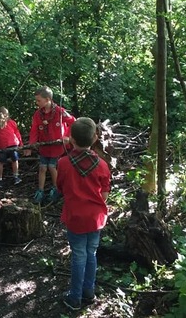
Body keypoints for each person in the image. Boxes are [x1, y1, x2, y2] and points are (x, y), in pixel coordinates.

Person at [56, 117, 111, 311]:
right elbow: (104, 194)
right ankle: (89, 291)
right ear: (95, 138)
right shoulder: (102, 165)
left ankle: (74, 298)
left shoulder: (63, 163)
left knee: (79, 255)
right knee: (91, 252)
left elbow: (60, 187)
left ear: (71, 139)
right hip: (95, 218)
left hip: (76, 217)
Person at [23, 86, 75, 203]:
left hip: (57, 147)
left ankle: (56, 189)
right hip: (44, 147)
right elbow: (34, 130)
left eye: (39, 100)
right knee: (42, 168)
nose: (37, 103)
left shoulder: (60, 111)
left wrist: (67, 136)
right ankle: (40, 191)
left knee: (52, 167)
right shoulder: (38, 114)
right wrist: (31, 145)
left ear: (48, 100)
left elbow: (73, 121)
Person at [0, 106, 23, 188]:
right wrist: (20, 143)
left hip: (2, 146)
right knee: (15, 160)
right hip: (13, 144)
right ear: (7, 114)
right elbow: (17, 133)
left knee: (0, 162)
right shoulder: (12, 122)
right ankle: (16, 177)